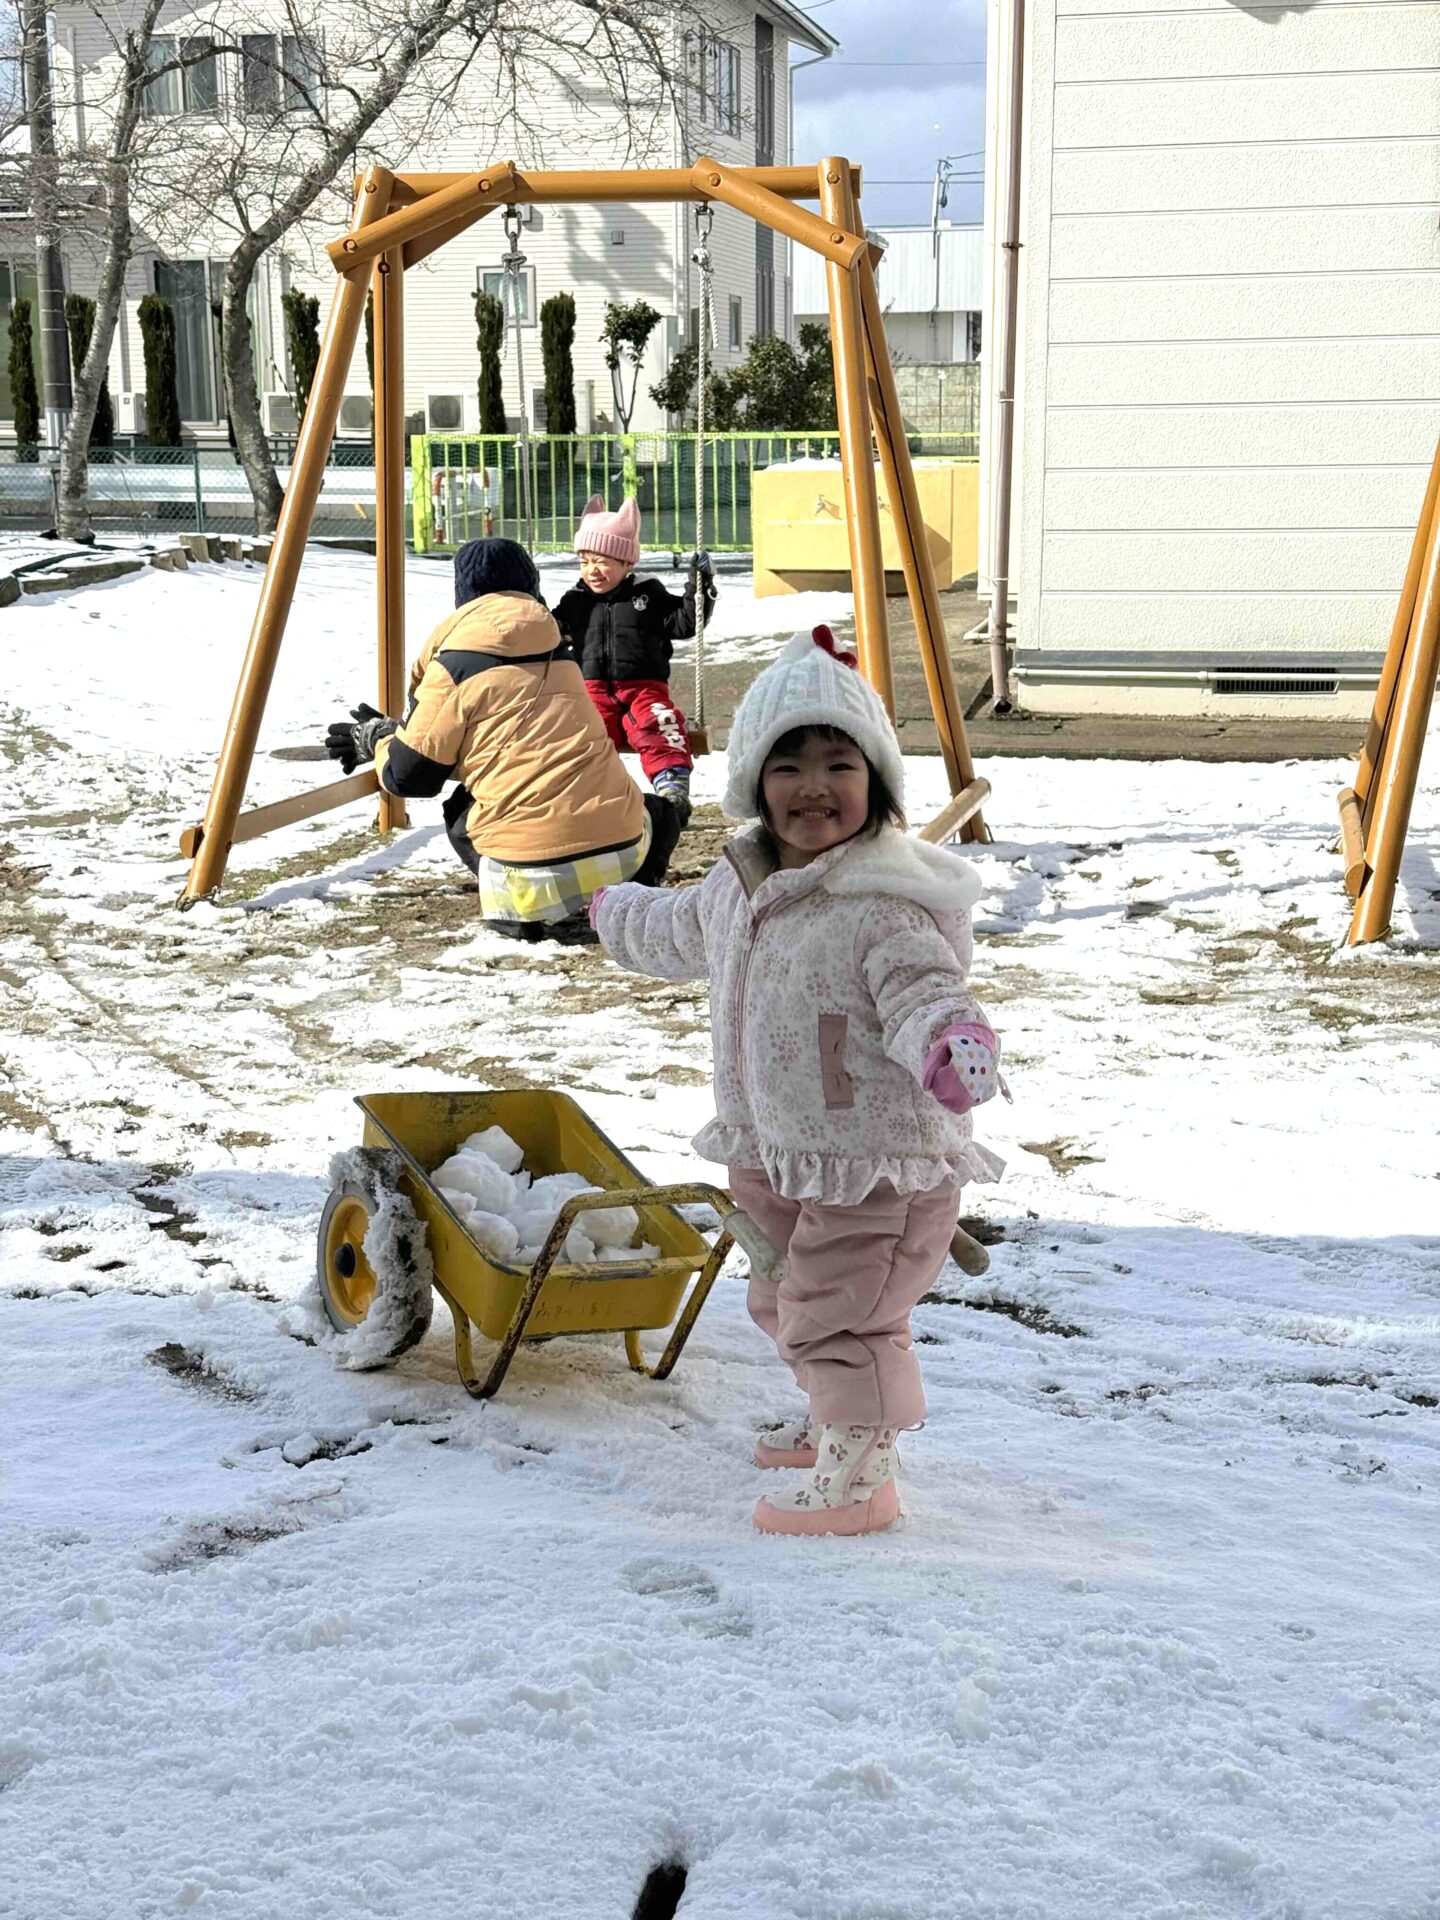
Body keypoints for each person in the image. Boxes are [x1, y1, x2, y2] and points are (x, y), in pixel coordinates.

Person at [591, 625, 1005, 1535]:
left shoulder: (882, 903)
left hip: (873, 1164)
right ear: (754, 784)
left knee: (838, 1314)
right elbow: (678, 931)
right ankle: (838, 1422)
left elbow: (924, 989)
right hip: (778, 1148)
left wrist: (952, 1039)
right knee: (784, 1297)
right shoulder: (739, 882)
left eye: (838, 764)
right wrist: (610, 910)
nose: (814, 786)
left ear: (877, 784)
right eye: (789, 766)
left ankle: (861, 1480)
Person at [324, 537, 680, 942]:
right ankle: (635, 887)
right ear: (532, 587)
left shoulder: (455, 666)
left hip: (526, 872)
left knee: (462, 809)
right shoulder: (562, 654)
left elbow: (411, 777)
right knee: (658, 811)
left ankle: (516, 909)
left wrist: (380, 739)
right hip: (621, 850)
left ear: (464, 597)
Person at [553, 495, 716, 829]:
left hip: (644, 688)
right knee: (584, 734)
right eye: (584, 561)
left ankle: (672, 790)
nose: (592, 570)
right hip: (591, 690)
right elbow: (551, 632)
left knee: (660, 723)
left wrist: (699, 587)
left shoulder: (648, 594)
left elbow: (684, 622)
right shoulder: (575, 601)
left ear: (627, 561)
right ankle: (586, 796)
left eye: (602, 561)